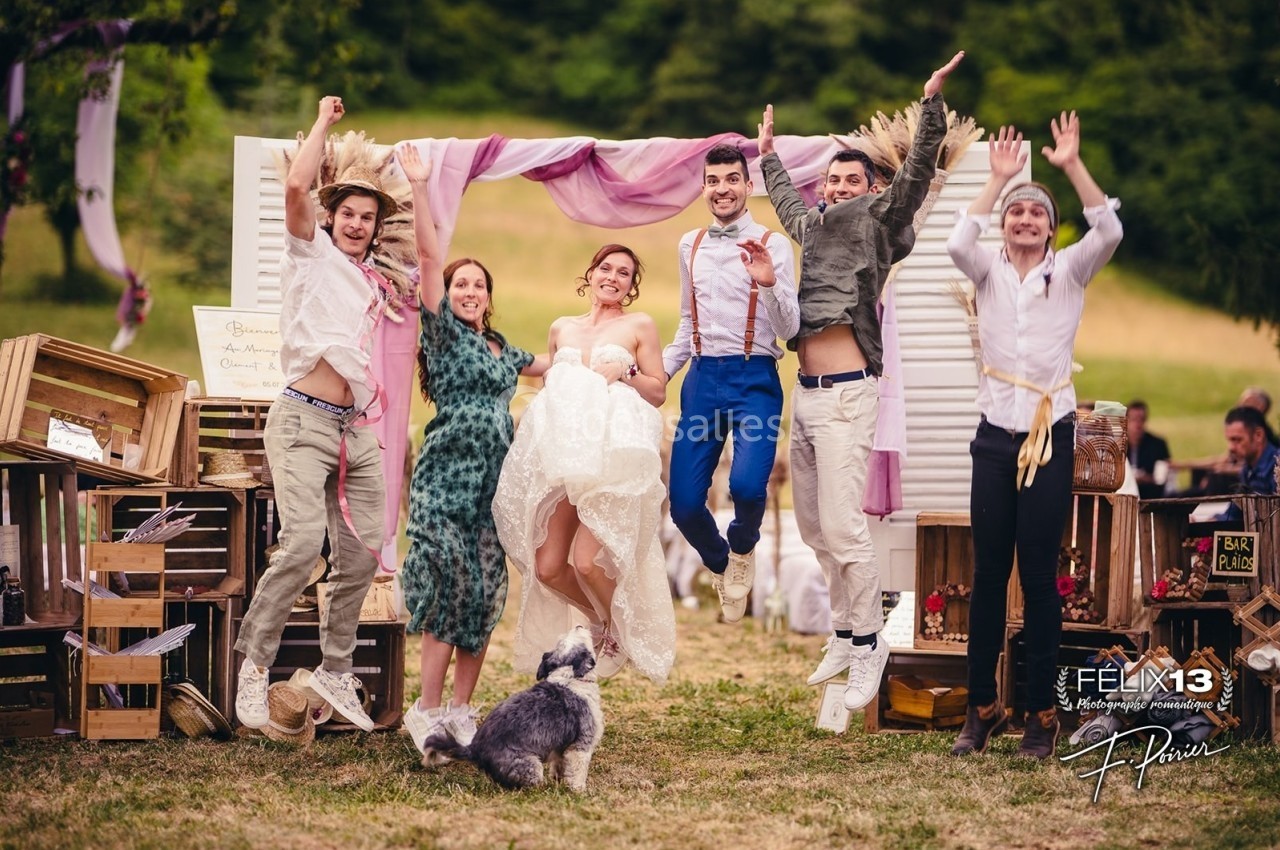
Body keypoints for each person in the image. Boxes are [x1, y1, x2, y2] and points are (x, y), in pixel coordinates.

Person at [758, 51, 965, 712]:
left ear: (871, 188)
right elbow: (787, 199)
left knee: (845, 529)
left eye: (852, 179)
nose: (841, 188)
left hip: (850, 394)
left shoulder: (881, 222)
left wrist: (930, 103)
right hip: (807, 396)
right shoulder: (811, 228)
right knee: (815, 528)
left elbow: (919, 170)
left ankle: (871, 643)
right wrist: (766, 156)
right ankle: (846, 635)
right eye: (834, 181)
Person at [946, 113, 1123, 759]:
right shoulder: (988, 271)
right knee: (989, 574)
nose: (1023, 219)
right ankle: (982, 708)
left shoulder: (1071, 271)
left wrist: (1070, 166)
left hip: (1051, 438)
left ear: (1051, 228)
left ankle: (1041, 714)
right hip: (995, 440)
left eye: (1035, 213)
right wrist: (997, 180)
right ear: (1005, 224)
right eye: (1016, 212)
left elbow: (1110, 228)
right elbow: (957, 242)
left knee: (1041, 577)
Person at [235, 96, 392, 732]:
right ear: (331, 219)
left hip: (354, 430)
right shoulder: (311, 252)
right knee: (301, 544)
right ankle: (253, 666)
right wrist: (325, 122)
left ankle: (334, 668)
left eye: (367, 217)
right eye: (348, 214)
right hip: (302, 420)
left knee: (363, 551)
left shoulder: (371, 281)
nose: (356, 224)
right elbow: (297, 183)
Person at [395, 143, 550, 753]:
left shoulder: (506, 350)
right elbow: (430, 253)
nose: (468, 290)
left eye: (477, 285)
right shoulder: (441, 331)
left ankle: (462, 710)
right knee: (446, 581)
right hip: (444, 479)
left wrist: (607, 340)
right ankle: (425, 709)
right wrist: (420, 187)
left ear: (489, 296)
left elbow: (559, 364)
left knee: (485, 591)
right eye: (460, 283)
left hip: (493, 485)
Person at [494, 245, 678, 682]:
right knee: (549, 567)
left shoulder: (639, 325)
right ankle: (599, 623)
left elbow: (658, 392)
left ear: (632, 286)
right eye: (606, 268)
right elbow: (551, 388)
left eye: (625, 274)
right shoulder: (561, 327)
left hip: (611, 460)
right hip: (564, 456)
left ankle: (619, 631)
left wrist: (627, 374)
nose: (613, 277)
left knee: (588, 563)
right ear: (590, 273)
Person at [663, 145, 800, 623]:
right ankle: (722, 563)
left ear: (747, 185)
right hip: (702, 381)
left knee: (746, 484)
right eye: (713, 180)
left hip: (754, 380)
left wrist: (767, 282)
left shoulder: (773, 243)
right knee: (682, 504)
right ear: (704, 187)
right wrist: (660, 372)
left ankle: (744, 546)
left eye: (731, 179)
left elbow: (789, 327)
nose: (722, 188)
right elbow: (687, 320)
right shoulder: (690, 245)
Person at [1219, 406, 1279, 521]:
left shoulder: (1277, 468)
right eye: (1229, 440)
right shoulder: (1247, 470)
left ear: (1258, 435)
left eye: (1237, 440)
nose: (1230, 447)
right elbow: (1234, 513)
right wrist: (1209, 520)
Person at [1126, 400, 1171, 500]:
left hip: (1150, 495)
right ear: (1126, 421)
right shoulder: (1119, 445)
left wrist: (1145, 478)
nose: (1138, 424)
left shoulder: (1157, 444)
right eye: (1134, 420)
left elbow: (1161, 478)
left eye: (1141, 419)